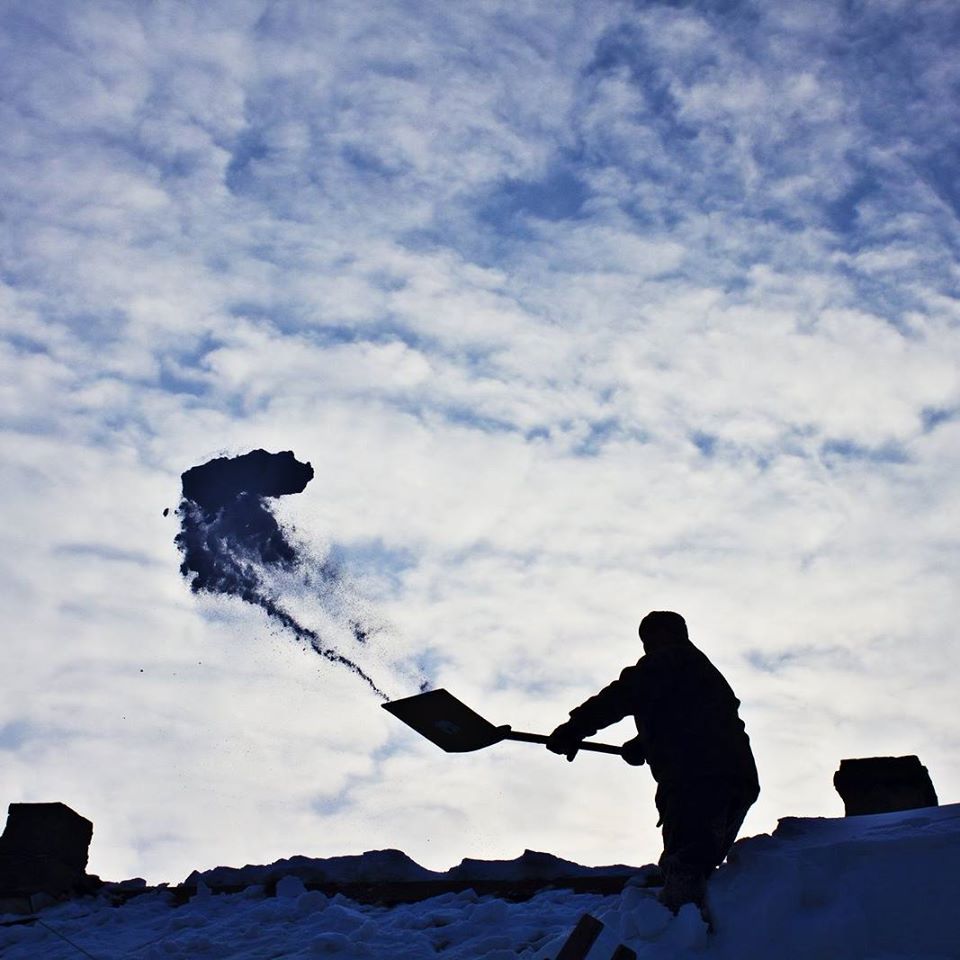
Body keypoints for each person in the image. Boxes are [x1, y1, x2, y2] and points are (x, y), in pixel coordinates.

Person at [546, 611, 759, 915]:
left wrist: (575, 728)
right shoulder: (695, 670)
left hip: (700, 776)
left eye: (649, 639)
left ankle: (679, 935)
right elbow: (690, 719)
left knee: (686, 862)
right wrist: (646, 744)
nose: (647, 647)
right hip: (735, 777)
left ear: (666, 635)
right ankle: (699, 933)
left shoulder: (668, 659)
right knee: (700, 861)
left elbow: (624, 694)